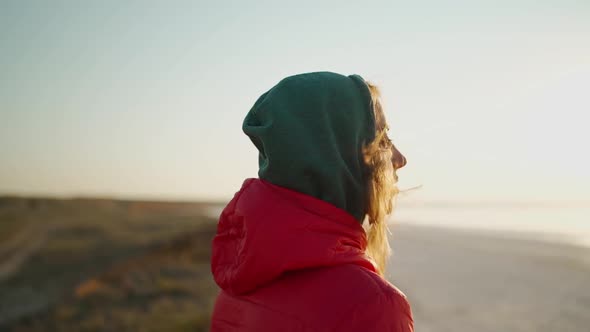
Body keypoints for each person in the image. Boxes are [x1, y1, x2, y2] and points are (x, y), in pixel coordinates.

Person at [210, 71, 413, 331]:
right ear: (336, 157)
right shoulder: (370, 305)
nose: (400, 158)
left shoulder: (238, 280)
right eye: (382, 140)